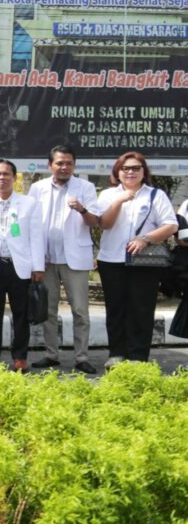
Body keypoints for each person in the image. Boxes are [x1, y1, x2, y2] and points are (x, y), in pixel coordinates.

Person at [94, 152, 178, 366]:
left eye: (135, 168)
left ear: (143, 172)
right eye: (125, 168)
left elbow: (170, 225)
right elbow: (104, 224)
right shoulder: (107, 195)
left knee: (141, 309)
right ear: (118, 172)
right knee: (115, 308)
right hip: (111, 260)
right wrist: (119, 201)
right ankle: (116, 354)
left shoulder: (155, 195)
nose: (130, 172)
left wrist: (145, 239)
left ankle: (138, 357)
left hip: (144, 261)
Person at [27, 145, 99, 374]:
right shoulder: (37, 188)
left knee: (80, 310)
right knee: (47, 309)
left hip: (74, 258)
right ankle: (51, 354)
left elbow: (94, 222)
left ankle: (81, 357)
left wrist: (82, 209)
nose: (64, 167)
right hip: (46, 259)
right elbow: (31, 223)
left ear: (74, 165)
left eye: (68, 163)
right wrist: (34, 258)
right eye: (59, 163)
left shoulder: (85, 187)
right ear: (50, 165)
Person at [0, 160, 45, 372]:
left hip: (19, 265)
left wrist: (37, 267)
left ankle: (20, 357)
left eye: (6, 174)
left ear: (14, 177)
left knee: (20, 314)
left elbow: (36, 238)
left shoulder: (28, 203)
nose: (2, 178)